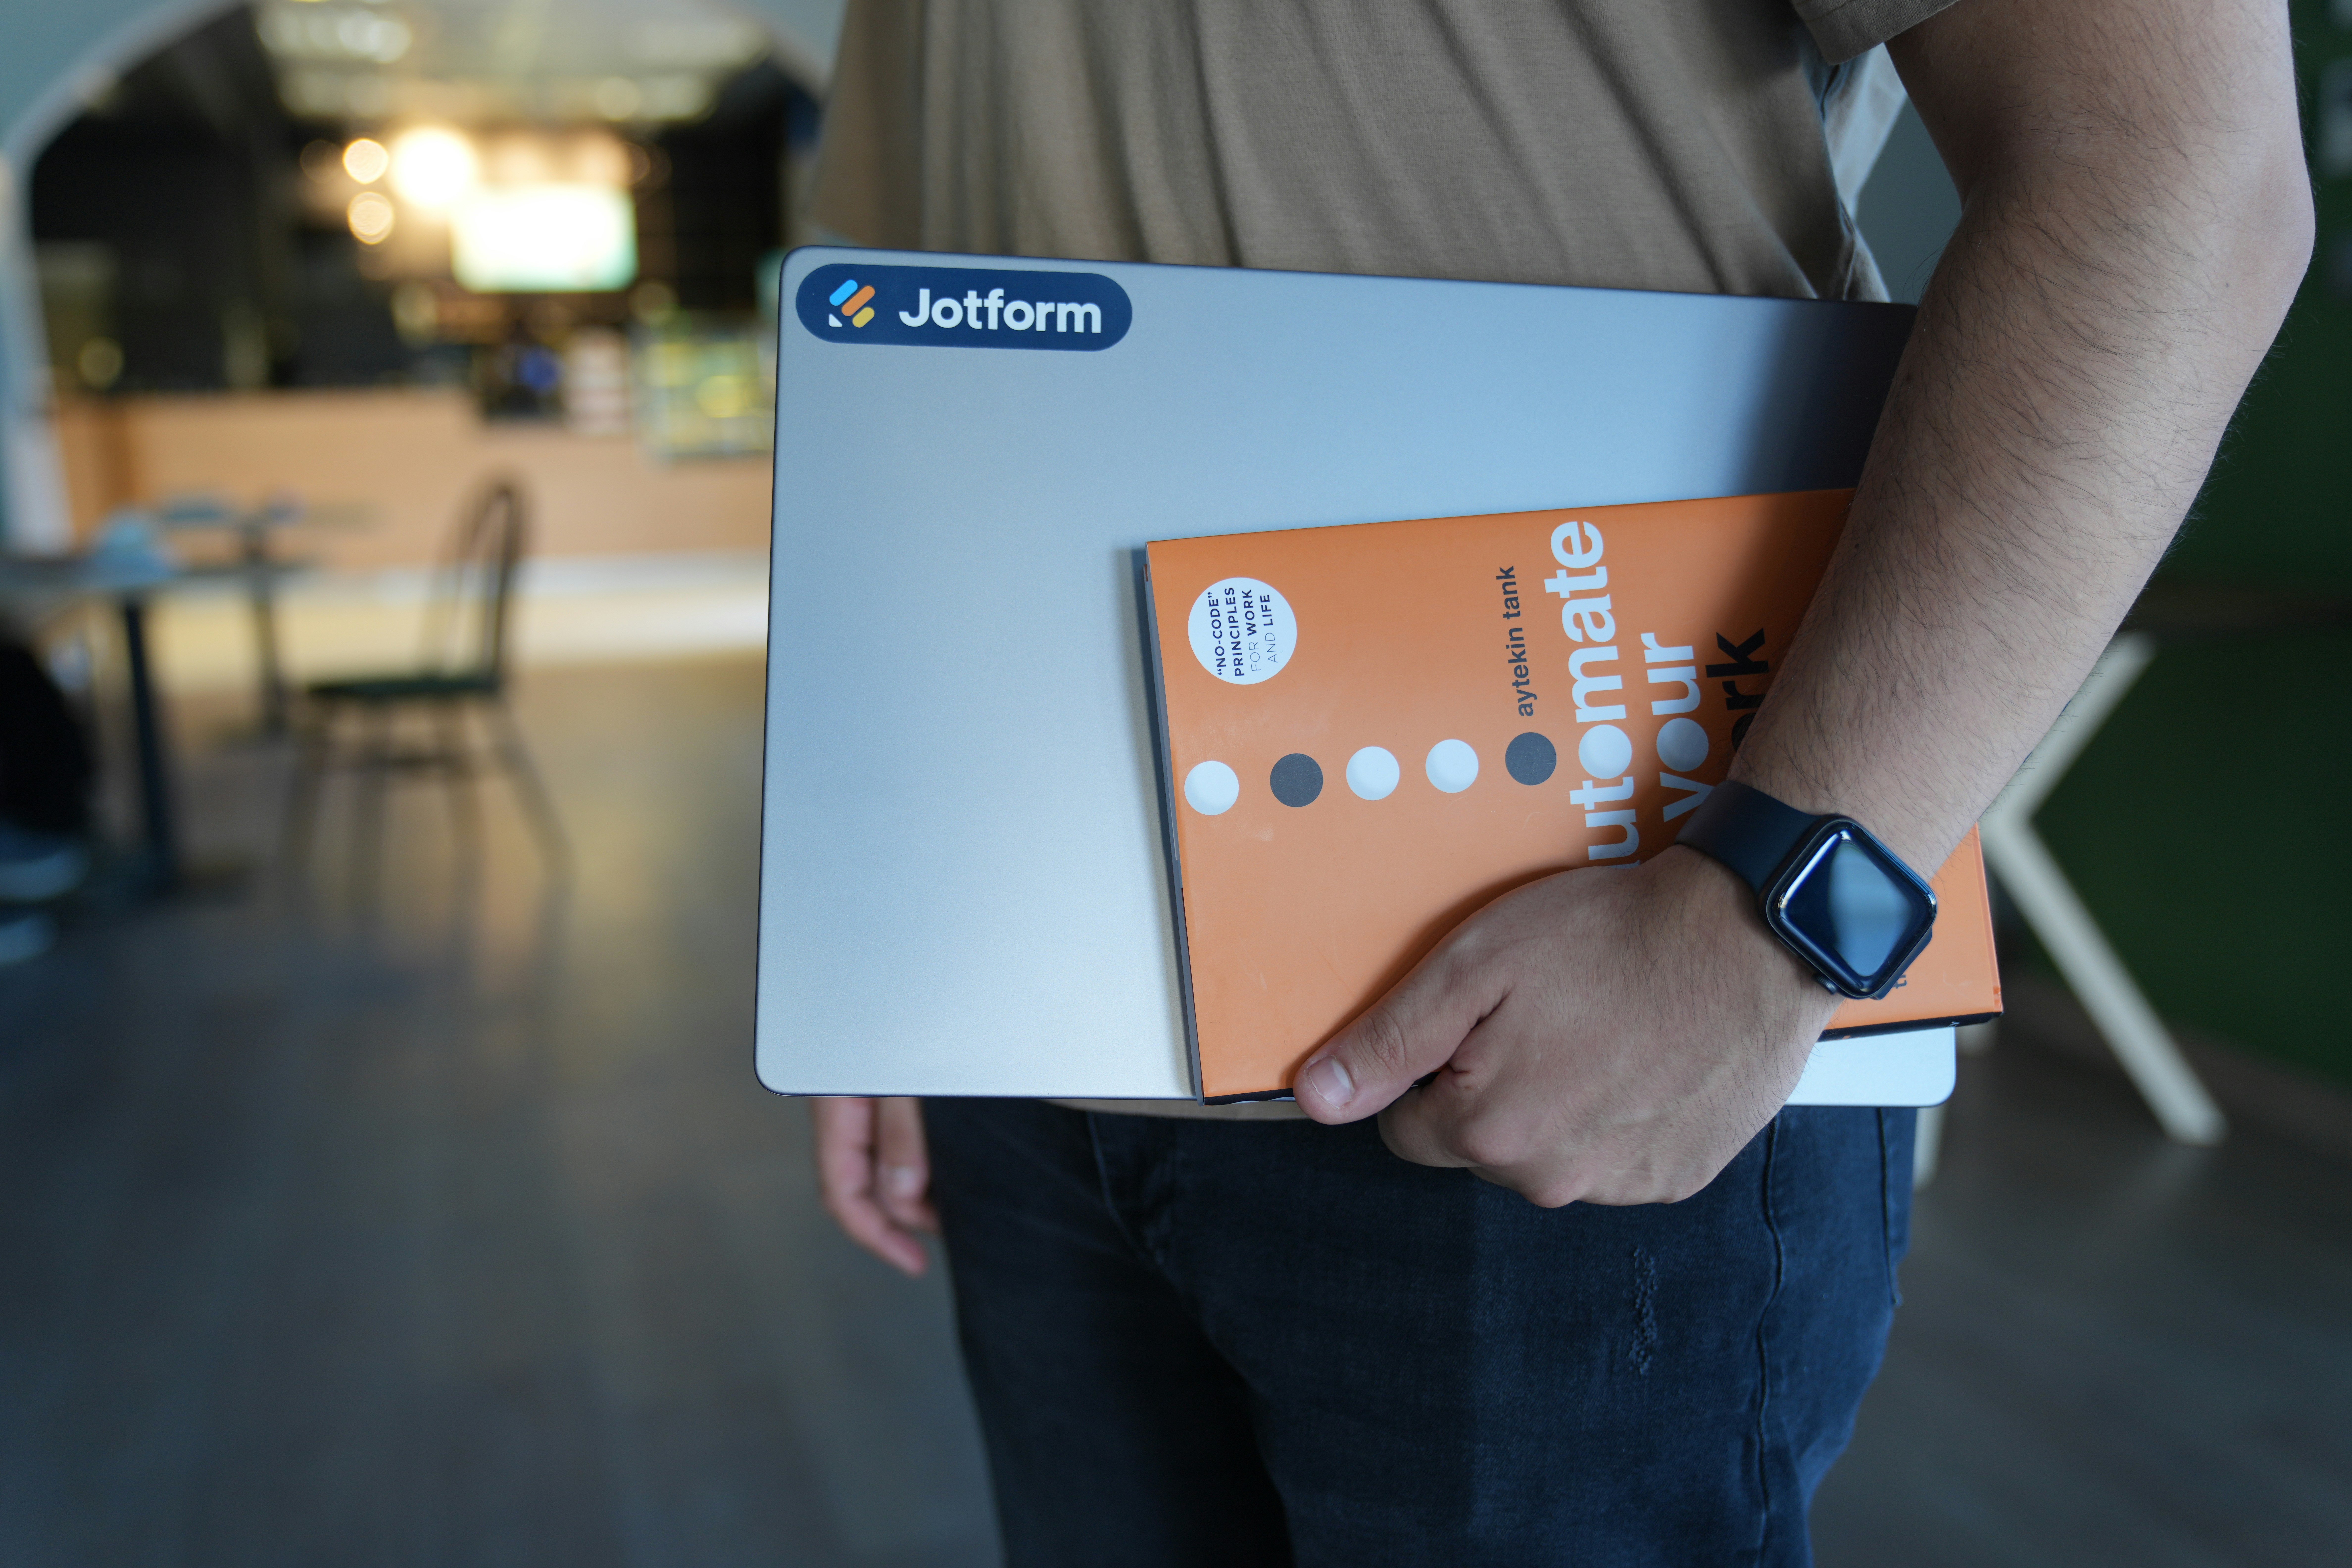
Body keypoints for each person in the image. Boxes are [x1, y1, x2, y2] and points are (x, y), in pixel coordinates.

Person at [805, 1, 2310, 1561]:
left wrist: (1770, 919)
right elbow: (898, 286)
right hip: (1032, 1009)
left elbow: (2177, 166)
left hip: (1565, 1006)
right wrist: (883, 939)